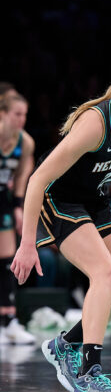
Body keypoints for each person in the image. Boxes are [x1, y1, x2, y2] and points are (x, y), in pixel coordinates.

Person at [10, 54, 111, 392]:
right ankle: (88, 373)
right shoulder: (96, 124)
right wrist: (27, 243)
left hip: (93, 200)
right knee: (106, 273)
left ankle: (63, 345)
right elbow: (37, 180)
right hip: (58, 199)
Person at [0, 92, 36, 345]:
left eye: (25, 114)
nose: (22, 119)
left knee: (6, 259)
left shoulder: (27, 142)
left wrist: (18, 207)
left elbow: (23, 177)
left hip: (4, 200)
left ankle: (8, 321)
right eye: (17, 114)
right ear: (2, 114)